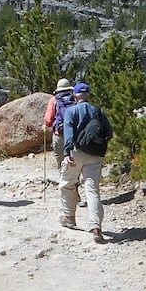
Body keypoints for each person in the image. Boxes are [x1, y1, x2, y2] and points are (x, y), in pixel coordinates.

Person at [60, 82, 112, 243]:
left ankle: (69, 217)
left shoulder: (71, 111)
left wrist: (67, 151)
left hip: (76, 153)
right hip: (95, 155)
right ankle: (96, 227)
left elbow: (68, 131)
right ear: (88, 95)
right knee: (92, 189)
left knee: (67, 183)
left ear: (75, 96)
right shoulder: (98, 111)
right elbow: (109, 133)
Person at [44, 78, 75, 168]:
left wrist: (47, 125)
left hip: (60, 133)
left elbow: (48, 120)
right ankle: (75, 179)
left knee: (60, 159)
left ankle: (63, 178)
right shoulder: (75, 99)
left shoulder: (54, 100)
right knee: (74, 157)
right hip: (74, 134)